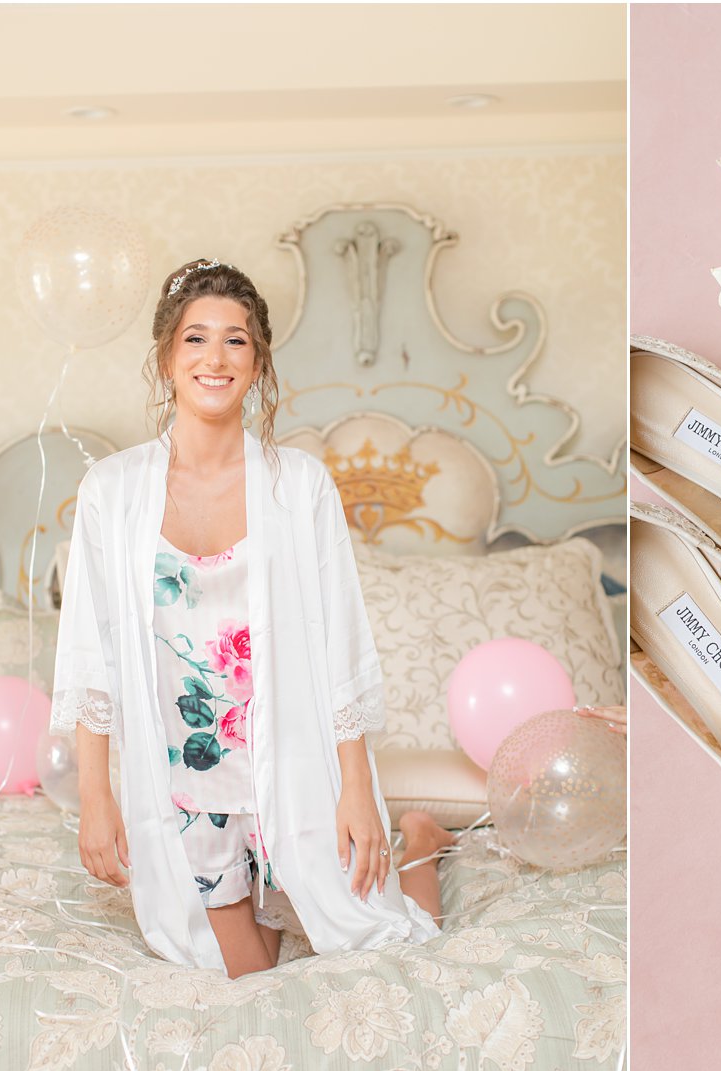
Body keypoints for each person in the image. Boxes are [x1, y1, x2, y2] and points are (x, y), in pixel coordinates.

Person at [52, 258, 449, 977]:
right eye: (196, 339)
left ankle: (420, 838)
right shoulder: (112, 492)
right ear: (167, 359)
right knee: (240, 980)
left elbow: (340, 639)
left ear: (258, 361)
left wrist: (356, 790)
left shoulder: (299, 486)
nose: (216, 357)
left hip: (290, 771)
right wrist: (94, 796)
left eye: (236, 340)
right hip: (185, 784)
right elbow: (92, 649)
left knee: (386, 940)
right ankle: (261, 899)